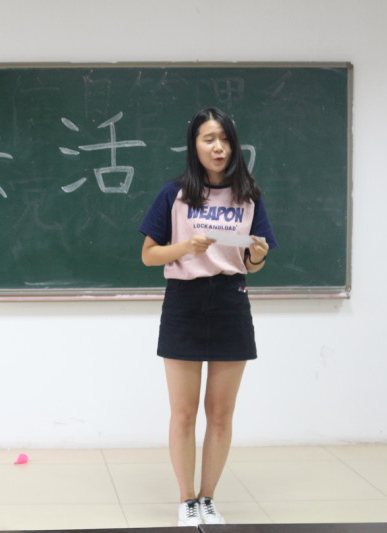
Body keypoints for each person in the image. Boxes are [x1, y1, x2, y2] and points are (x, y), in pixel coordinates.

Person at [138, 107, 277, 527]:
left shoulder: (248, 196)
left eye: (225, 139)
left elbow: (252, 263)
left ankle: (208, 498)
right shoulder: (175, 194)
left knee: (220, 413)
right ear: (194, 145)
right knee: (183, 412)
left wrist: (258, 256)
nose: (219, 148)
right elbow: (149, 256)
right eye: (209, 139)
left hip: (231, 302)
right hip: (184, 301)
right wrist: (186, 248)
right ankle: (186, 499)